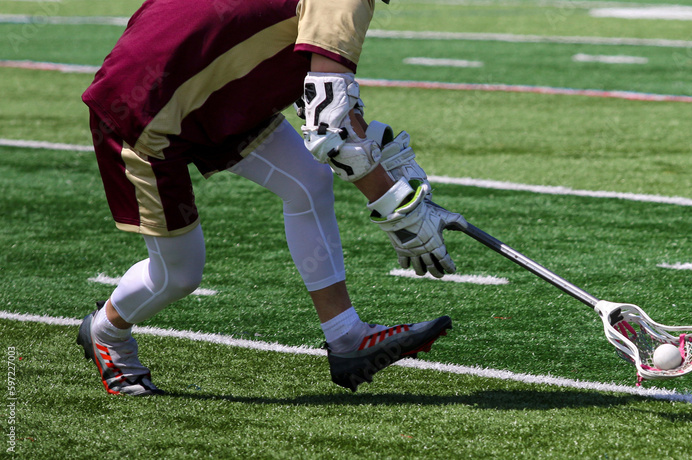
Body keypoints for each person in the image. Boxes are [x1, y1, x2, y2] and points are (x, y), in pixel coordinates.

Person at [76, 0, 464, 395]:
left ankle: (346, 337)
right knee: (179, 274)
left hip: (205, 83)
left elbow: (329, 101)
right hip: (147, 108)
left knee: (309, 183)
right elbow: (333, 133)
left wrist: (385, 168)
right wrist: (399, 209)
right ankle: (107, 332)